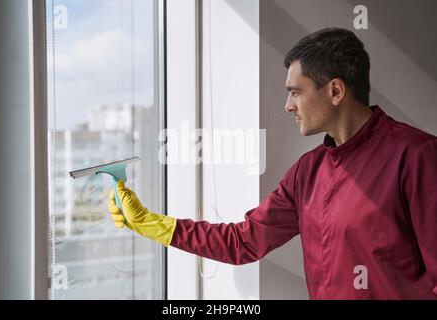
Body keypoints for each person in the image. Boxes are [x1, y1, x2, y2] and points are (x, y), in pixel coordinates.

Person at [108, 27, 437, 299]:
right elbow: (243, 242)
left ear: (335, 90)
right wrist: (151, 223)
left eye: (296, 92)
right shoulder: (307, 173)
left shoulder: (417, 156)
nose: (288, 105)